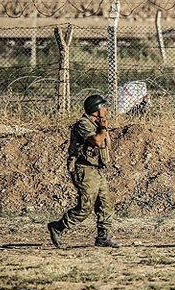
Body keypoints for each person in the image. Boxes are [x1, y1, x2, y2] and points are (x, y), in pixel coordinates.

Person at [47, 94, 120, 248]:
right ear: (96, 109)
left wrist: (103, 128)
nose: (106, 109)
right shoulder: (83, 124)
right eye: (103, 107)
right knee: (86, 206)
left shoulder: (98, 125)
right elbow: (97, 141)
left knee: (106, 203)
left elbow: (107, 145)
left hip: (97, 169)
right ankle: (58, 227)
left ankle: (103, 236)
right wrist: (103, 128)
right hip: (84, 169)